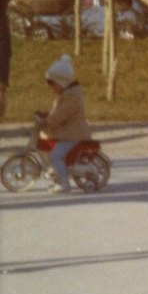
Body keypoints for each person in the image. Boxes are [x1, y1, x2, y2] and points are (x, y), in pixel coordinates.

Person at [40, 53, 91, 193]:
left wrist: (49, 121)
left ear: (61, 82)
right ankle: (57, 175)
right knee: (45, 144)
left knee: (55, 155)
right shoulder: (65, 94)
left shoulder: (73, 97)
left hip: (74, 135)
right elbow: (57, 111)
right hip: (67, 132)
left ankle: (64, 184)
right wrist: (46, 115)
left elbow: (62, 114)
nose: (52, 87)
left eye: (53, 84)